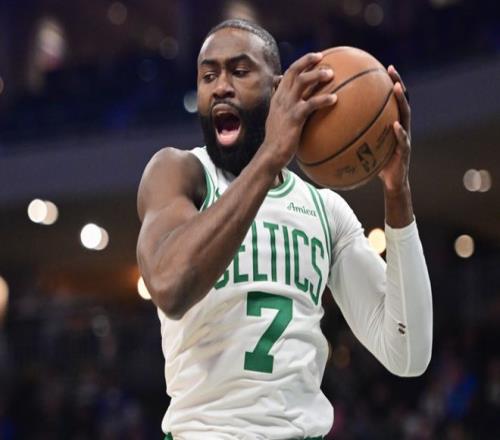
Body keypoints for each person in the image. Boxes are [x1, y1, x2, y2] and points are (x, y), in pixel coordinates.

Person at [136, 18, 433, 440]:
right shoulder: (179, 172)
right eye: (208, 76)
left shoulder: (324, 210)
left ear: (279, 91)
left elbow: (408, 353)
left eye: (240, 71)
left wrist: (397, 193)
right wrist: (272, 155)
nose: (221, 87)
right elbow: (170, 286)